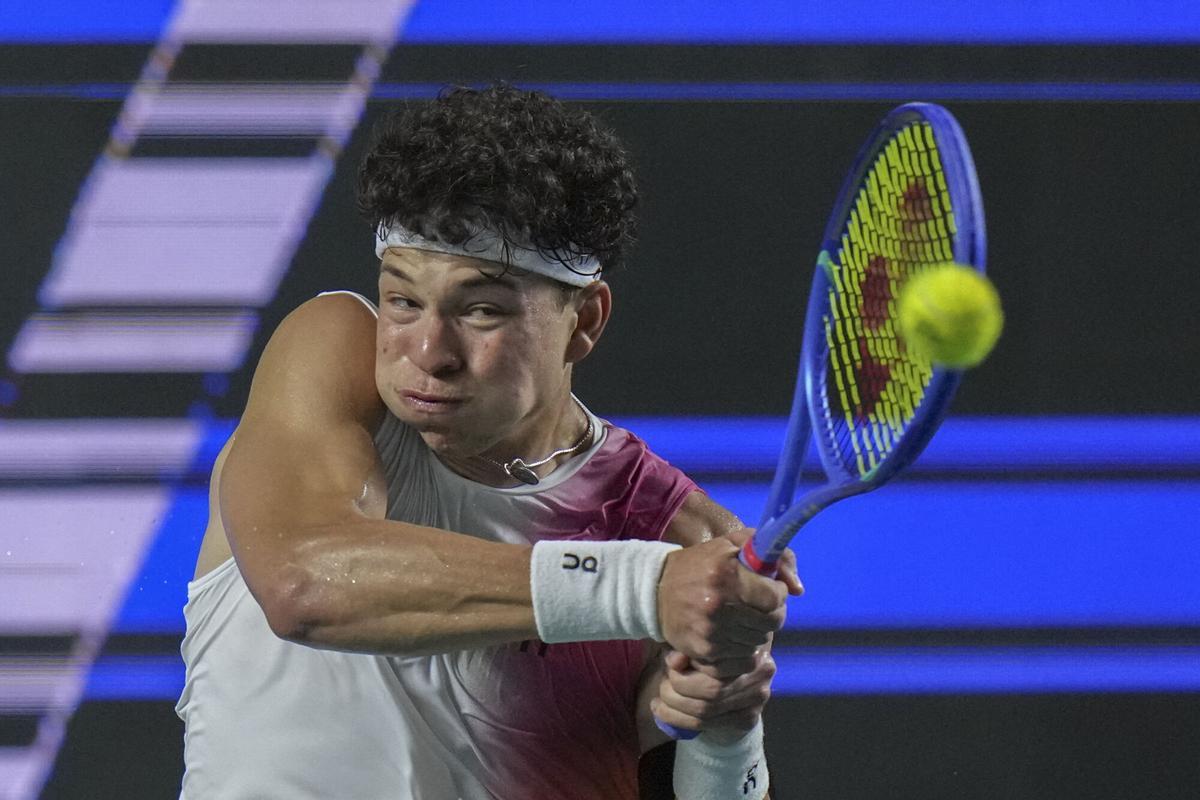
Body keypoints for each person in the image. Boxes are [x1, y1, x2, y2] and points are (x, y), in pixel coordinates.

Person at [176, 84, 802, 800]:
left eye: (480, 310)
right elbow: (305, 586)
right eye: (403, 300)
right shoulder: (333, 356)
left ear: (585, 320)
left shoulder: (676, 535)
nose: (427, 351)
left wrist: (726, 728)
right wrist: (644, 587)